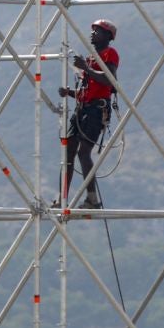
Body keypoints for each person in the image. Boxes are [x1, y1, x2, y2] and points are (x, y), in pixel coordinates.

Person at [58, 18, 119, 209]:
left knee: (84, 152)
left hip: (96, 111)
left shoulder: (109, 54)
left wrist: (86, 68)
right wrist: (70, 93)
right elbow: (88, 91)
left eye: (97, 31)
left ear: (107, 36)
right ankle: (62, 198)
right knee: (68, 152)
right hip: (84, 109)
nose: (92, 33)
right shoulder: (92, 58)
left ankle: (92, 198)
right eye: (92, 30)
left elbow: (109, 81)